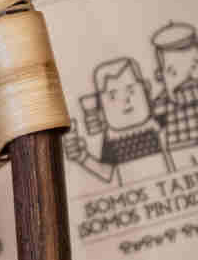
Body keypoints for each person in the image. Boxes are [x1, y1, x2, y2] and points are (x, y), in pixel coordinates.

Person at [64, 57, 174, 186]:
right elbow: (106, 173)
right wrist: (81, 157)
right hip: (136, 196)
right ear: (101, 108)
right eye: (112, 96)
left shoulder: (158, 122)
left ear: (146, 89)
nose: (125, 101)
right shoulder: (112, 138)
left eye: (131, 91)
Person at [151, 21, 198, 168]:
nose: (187, 78)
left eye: (194, 66)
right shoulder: (160, 104)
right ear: (160, 76)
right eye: (173, 72)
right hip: (181, 155)